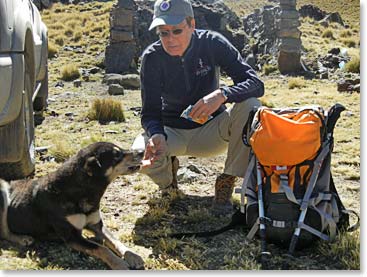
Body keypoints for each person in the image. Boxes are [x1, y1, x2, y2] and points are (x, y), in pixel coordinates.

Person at [134, 0, 264, 213]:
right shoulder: (152, 58)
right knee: (139, 152)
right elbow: (149, 112)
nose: (170, 39)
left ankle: (227, 181)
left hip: (213, 132)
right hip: (172, 134)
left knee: (251, 105)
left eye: (177, 30)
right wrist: (156, 134)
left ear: (191, 25)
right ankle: (169, 184)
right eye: (163, 33)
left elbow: (256, 84)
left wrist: (223, 94)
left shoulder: (212, 43)